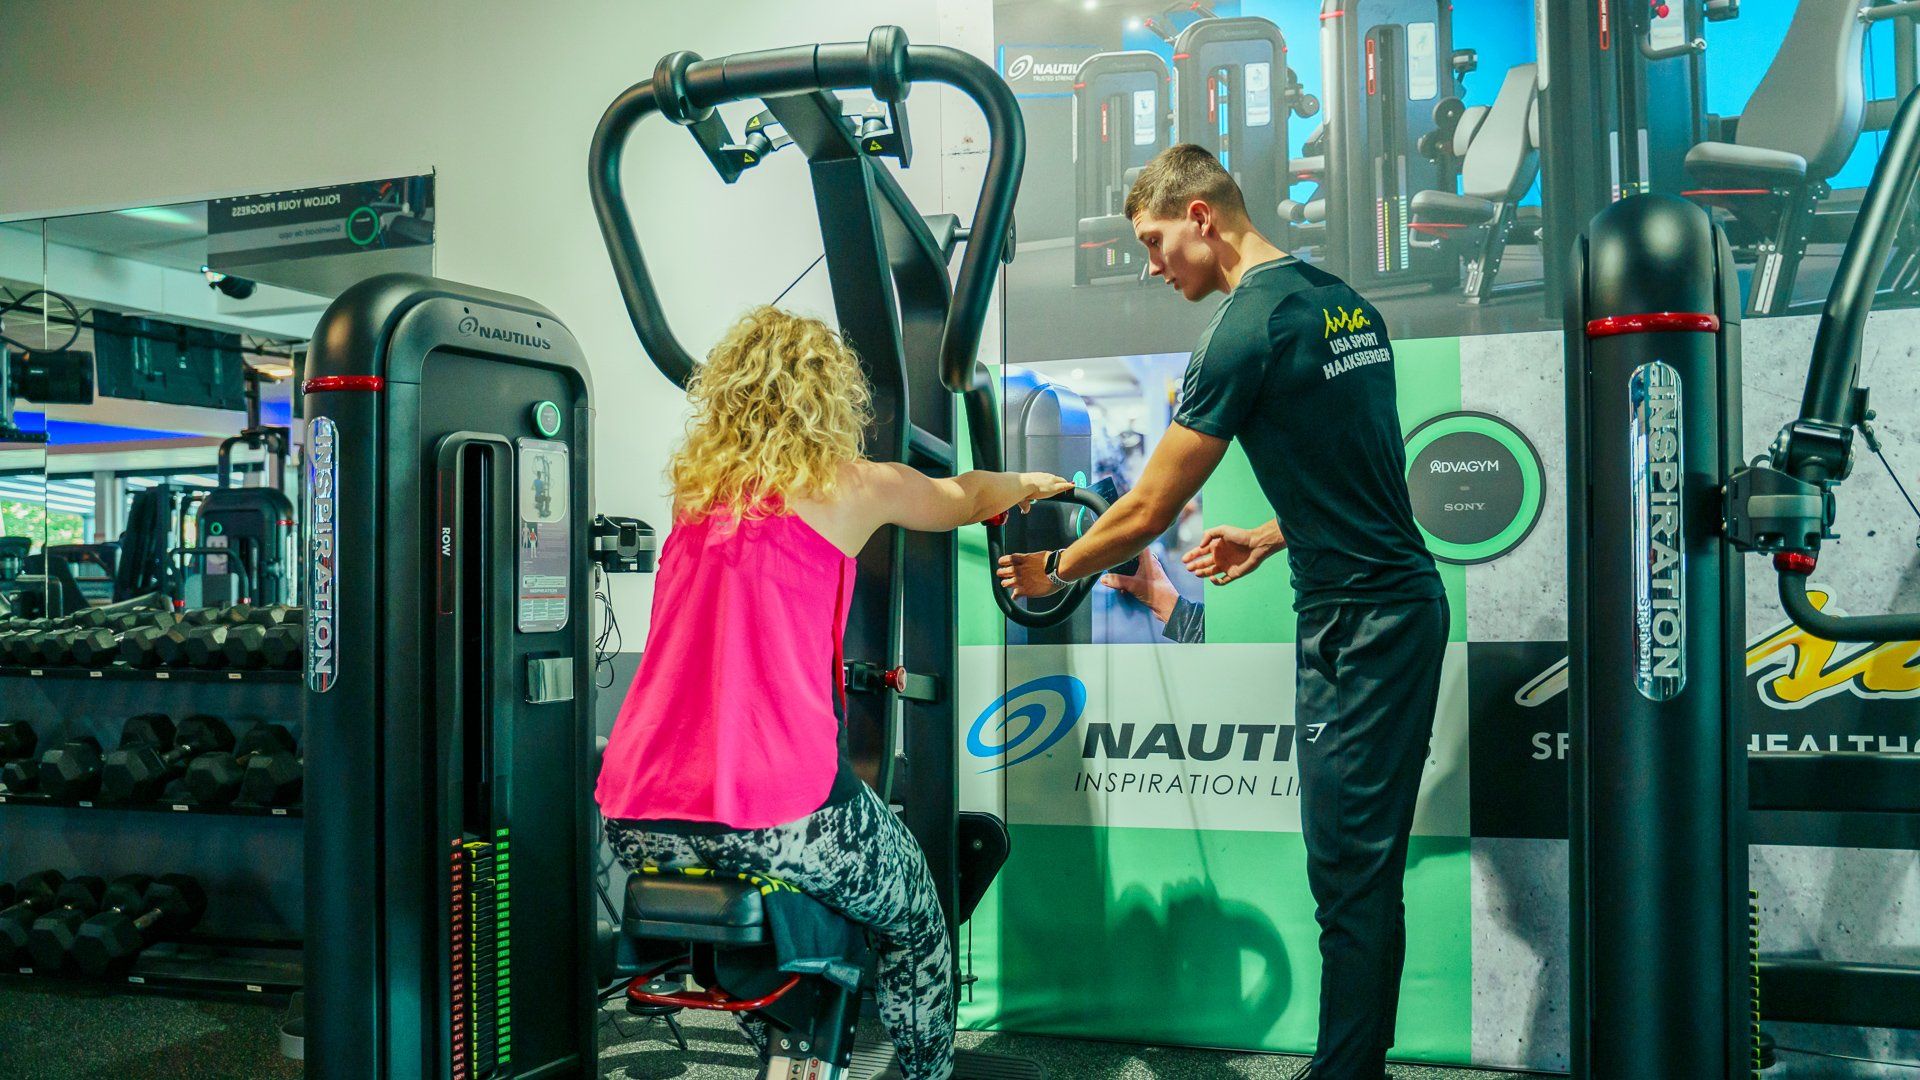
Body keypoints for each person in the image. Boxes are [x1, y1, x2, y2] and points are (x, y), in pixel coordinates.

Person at [996, 144, 1448, 1080]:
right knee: (1356, 867)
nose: (1152, 266)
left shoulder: (1245, 330)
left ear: (1201, 215)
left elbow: (1149, 509)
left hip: (1364, 622)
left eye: (1156, 242)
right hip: (1380, 602)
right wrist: (1275, 534)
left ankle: (1348, 1072)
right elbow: (1363, 471)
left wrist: (1058, 567)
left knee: (1350, 872)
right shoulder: (1341, 303)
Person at [597, 305, 1070, 1080]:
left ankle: (796, 1056)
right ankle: (921, 1074)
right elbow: (961, 497)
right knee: (916, 916)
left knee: (823, 900)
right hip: (772, 811)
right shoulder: (853, 486)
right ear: (827, 397)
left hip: (636, 812)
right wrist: (1025, 483)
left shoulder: (696, 500)